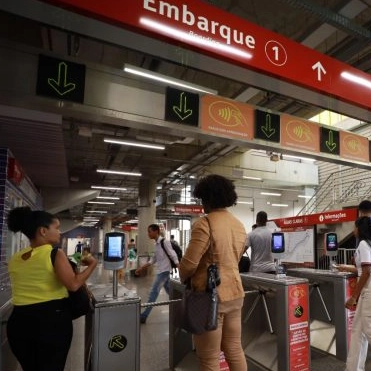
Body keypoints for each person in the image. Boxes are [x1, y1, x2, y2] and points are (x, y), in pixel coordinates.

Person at [6, 206, 98, 371]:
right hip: (50, 322)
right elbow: (74, 284)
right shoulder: (54, 253)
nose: (59, 232)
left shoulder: (16, 258)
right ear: (43, 231)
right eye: (56, 228)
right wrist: (92, 265)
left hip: (18, 323)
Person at [179, 174, 247, 371]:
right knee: (234, 348)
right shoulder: (239, 225)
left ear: (208, 199)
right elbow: (235, 258)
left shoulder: (205, 223)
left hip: (209, 297)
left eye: (202, 200)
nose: (202, 205)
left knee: (209, 358)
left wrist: (184, 276)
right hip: (235, 293)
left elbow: (189, 263)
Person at [338, 216, 371, 371]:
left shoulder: (364, 244)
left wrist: (353, 297)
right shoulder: (367, 244)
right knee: (358, 332)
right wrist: (346, 267)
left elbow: (366, 272)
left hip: (368, 292)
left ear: (360, 229)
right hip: (366, 291)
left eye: (355, 227)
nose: (353, 230)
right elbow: (363, 268)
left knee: (369, 331)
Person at [135, 224, 179, 324]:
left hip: (164, 272)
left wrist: (179, 267)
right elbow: (153, 260)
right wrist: (141, 268)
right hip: (162, 271)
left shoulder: (165, 242)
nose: (148, 234)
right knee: (171, 294)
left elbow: (173, 255)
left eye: (150, 231)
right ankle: (183, 308)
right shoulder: (156, 244)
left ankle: (144, 316)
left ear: (156, 231)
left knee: (153, 293)